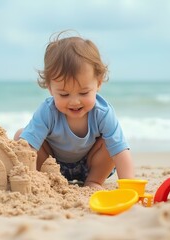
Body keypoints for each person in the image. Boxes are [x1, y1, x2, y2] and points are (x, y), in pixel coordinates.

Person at [14, 31, 134, 189]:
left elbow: (120, 151)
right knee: (21, 137)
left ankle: (93, 182)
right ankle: (46, 181)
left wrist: (131, 188)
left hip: (91, 166)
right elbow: (28, 148)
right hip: (51, 166)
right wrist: (22, 177)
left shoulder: (102, 112)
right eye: (64, 94)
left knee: (111, 143)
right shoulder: (47, 111)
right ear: (50, 88)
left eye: (84, 93)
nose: (75, 101)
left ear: (98, 83)